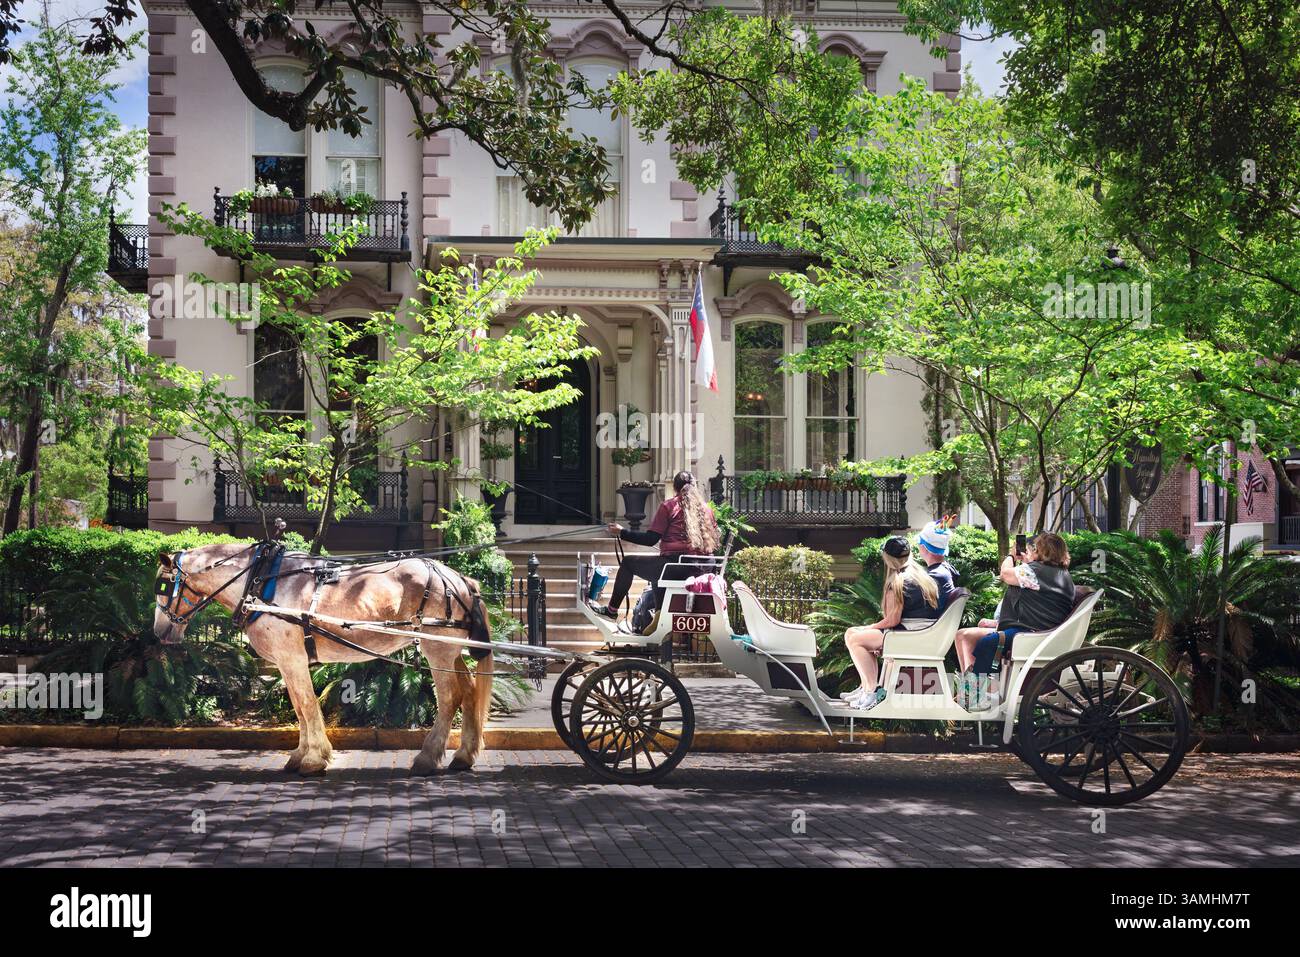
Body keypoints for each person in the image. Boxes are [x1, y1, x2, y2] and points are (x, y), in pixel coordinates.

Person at [953, 531, 1075, 712]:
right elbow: (1038, 602)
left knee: (989, 642)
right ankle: (975, 692)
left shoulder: (1039, 572)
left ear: (1044, 551)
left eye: (1035, 548)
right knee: (969, 636)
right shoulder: (1055, 573)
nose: (1032, 551)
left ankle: (979, 695)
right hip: (1036, 630)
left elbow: (1005, 574)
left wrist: (1011, 555)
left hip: (1034, 635)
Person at [588, 470, 721, 622]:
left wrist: (621, 532)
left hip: (676, 568)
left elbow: (651, 539)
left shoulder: (669, 506)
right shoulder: (707, 510)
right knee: (657, 570)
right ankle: (660, 617)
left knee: (629, 563)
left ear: (675, 489)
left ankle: (612, 610)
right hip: (704, 568)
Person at [839, 534, 944, 711]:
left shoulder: (897, 581)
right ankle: (865, 688)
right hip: (920, 630)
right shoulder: (920, 574)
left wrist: (870, 627)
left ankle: (871, 691)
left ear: (887, 558)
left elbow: (893, 619)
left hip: (909, 633)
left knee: (856, 639)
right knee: (851, 633)